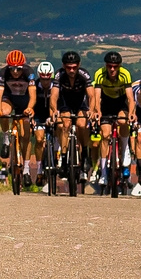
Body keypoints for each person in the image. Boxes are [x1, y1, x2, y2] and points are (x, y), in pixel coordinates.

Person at [89, 50, 141, 194]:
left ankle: (124, 152)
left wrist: (131, 113)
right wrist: (97, 111)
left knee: (123, 122)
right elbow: (97, 96)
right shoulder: (100, 74)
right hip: (106, 103)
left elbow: (131, 98)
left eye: (115, 66)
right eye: (110, 66)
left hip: (120, 103)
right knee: (105, 135)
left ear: (119, 66)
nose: (112, 69)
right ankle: (104, 173)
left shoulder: (125, 74)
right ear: (106, 65)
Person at [0, 50, 35, 184]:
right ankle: (6, 138)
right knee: (4, 112)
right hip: (10, 99)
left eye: (18, 69)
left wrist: (29, 108)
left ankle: (27, 169)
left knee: (25, 135)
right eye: (12, 68)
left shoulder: (29, 72)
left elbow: (33, 95)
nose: (15, 72)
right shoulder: (3, 73)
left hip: (24, 102)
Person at [54, 51, 91, 182]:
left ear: (79, 65)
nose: (71, 70)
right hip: (65, 103)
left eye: (74, 67)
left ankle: (85, 154)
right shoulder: (59, 75)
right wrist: (54, 110)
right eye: (69, 67)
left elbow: (91, 95)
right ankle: (64, 159)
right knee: (65, 125)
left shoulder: (84, 74)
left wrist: (93, 109)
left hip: (80, 103)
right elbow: (54, 96)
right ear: (64, 66)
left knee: (81, 124)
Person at [30, 61, 58, 189]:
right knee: (39, 139)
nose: (45, 81)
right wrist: (32, 118)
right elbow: (31, 103)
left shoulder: (57, 87)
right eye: (43, 78)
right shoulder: (34, 86)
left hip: (52, 114)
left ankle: (57, 157)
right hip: (39, 115)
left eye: (48, 78)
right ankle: (40, 169)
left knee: (59, 132)